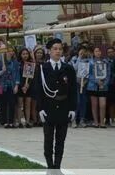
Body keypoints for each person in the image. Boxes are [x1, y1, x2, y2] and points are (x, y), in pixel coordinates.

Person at [34, 38, 77, 172]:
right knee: (48, 139)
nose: (58, 51)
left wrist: (72, 108)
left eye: (60, 49)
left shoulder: (68, 68)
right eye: (55, 49)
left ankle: (57, 167)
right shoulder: (43, 68)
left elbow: (73, 90)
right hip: (48, 107)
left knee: (60, 140)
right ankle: (50, 166)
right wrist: (40, 108)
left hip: (63, 107)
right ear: (49, 51)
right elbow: (38, 90)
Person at [0, 47, 21, 128]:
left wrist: (16, 85)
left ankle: (11, 121)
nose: (10, 52)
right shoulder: (1, 62)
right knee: (4, 104)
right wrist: (2, 71)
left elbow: (17, 74)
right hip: (3, 86)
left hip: (12, 85)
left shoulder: (15, 62)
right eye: (8, 51)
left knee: (12, 103)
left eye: (12, 51)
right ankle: (5, 121)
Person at [87, 46, 111, 128]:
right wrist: (97, 81)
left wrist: (103, 83)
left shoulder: (106, 62)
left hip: (103, 87)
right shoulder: (90, 62)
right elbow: (89, 75)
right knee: (94, 105)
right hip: (92, 86)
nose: (98, 52)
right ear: (93, 53)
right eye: (96, 51)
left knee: (103, 105)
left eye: (99, 51)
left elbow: (108, 74)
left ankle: (102, 122)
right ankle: (96, 122)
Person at [71, 46, 91, 128]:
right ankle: (74, 119)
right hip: (76, 83)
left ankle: (82, 119)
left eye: (84, 52)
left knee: (83, 101)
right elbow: (74, 68)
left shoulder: (89, 60)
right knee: (77, 101)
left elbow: (91, 71)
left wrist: (86, 81)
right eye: (81, 51)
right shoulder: (74, 59)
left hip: (85, 83)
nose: (83, 53)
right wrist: (79, 57)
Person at [16, 48, 34, 128]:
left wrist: (27, 85)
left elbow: (31, 76)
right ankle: (19, 121)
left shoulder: (30, 64)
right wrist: (22, 86)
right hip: (20, 86)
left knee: (28, 104)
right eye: (23, 54)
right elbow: (17, 76)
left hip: (28, 87)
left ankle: (27, 121)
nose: (25, 55)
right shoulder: (18, 64)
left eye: (26, 54)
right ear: (20, 55)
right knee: (20, 104)